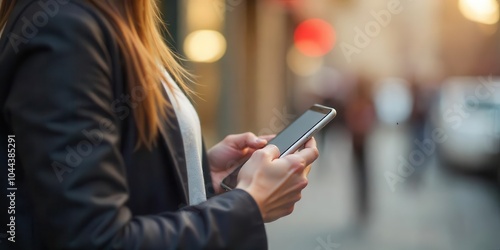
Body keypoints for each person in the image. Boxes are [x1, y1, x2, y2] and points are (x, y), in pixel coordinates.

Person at [0, 0, 319, 249]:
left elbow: (111, 176)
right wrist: (248, 204)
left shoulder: (111, 22)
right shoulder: (66, 28)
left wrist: (204, 178)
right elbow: (96, 238)